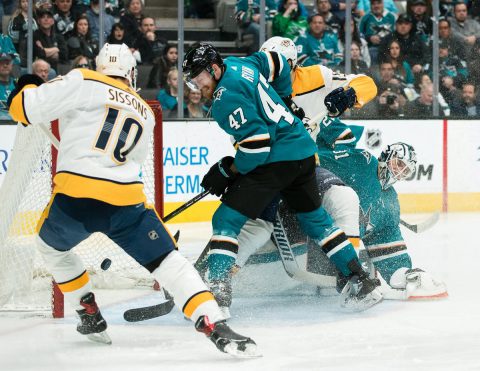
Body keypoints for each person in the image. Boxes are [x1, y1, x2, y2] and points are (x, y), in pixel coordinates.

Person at [7, 43, 257, 356]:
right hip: (125, 199)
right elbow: (134, 157)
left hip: (75, 197)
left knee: (50, 247)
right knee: (170, 263)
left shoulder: (83, 79)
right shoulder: (143, 109)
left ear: (101, 67)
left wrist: (27, 85)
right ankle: (214, 321)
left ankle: (87, 311)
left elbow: (21, 109)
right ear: (131, 72)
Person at [183, 42, 382, 315]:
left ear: (214, 68)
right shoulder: (243, 63)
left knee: (225, 220)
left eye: (199, 77)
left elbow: (257, 146)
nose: (196, 85)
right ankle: (359, 279)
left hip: (277, 161)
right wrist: (285, 101)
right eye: (192, 80)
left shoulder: (224, 99)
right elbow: (276, 62)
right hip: (302, 153)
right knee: (316, 220)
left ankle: (216, 295)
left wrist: (229, 170)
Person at [312, 120, 447, 300]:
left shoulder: (391, 202)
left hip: (338, 258)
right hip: (313, 233)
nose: (399, 172)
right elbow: (319, 159)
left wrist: (405, 274)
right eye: (398, 164)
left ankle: (349, 275)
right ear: (387, 155)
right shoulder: (362, 161)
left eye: (405, 171)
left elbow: (388, 249)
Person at [33, 8, 68, 75]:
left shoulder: (58, 36)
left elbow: (64, 54)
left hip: (57, 67)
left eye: (48, 17)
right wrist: (56, 49)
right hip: (41, 69)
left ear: (52, 21)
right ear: (38, 21)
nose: (46, 19)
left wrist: (45, 50)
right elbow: (40, 54)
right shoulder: (35, 35)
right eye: (43, 17)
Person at [8, 0, 38, 67]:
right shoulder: (15, 18)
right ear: (20, 3)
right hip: (19, 50)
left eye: (28, 1)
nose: (25, 4)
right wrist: (24, 30)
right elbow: (12, 36)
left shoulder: (36, 16)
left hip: (34, 50)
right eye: (23, 1)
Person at [0, 52, 16, 121]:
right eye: (1, 63)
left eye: (7, 63)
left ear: (12, 66)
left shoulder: (17, 85)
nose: (5, 66)